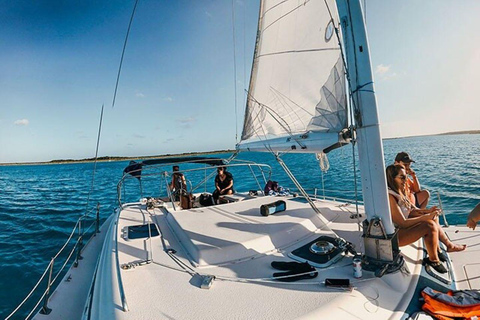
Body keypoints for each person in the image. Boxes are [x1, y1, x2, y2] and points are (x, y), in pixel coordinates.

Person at [386, 164, 466, 274]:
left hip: (402, 228)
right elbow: (402, 223)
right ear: (392, 178)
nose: (406, 180)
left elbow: (411, 210)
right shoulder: (391, 197)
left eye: (406, 176)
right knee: (429, 226)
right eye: (402, 177)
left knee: (434, 218)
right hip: (395, 236)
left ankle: (437, 250)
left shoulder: (399, 191)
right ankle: (433, 261)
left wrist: (429, 212)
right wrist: (425, 217)